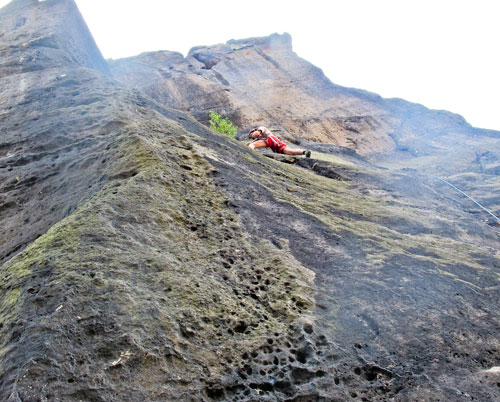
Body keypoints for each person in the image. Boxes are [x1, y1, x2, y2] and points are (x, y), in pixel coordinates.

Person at [246, 126, 311, 157]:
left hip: (271, 139)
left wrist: (252, 140)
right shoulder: (259, 138)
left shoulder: (260, 129)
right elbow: (256, 140)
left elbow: (257, 134)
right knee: (289, 152)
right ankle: (304, 152)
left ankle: (250, 154)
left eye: (251, 135)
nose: (252, 137)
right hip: (274, 143)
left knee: (253, 145)